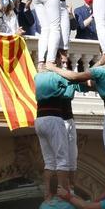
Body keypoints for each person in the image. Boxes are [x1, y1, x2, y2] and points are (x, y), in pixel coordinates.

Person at [35, 65, 93, 195]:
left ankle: (52, 193)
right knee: (64, 160)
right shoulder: (58, 76)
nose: (65, 64)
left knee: (55, 161)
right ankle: (65, 191)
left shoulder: (42, 76)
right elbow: (80, 77)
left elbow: (85, 82)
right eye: (62, 60)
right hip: (57, 120)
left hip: (48, 119)